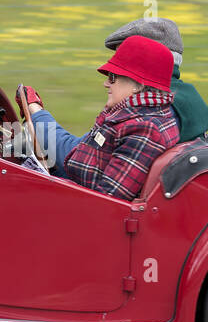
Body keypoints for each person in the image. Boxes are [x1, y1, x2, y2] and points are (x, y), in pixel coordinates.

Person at [23, 17, 208, 177]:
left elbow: (75, 157)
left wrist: (36, 112)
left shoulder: (148, 110)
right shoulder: (186, 100)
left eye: (124, 57)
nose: (110, 78)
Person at [38, 35, 180, 200]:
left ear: (138, 85)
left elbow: (107, 200)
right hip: (77, 189)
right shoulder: (136, 115)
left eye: (113, 77)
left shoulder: (144, 129)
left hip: (86, 210)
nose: (106, 84)